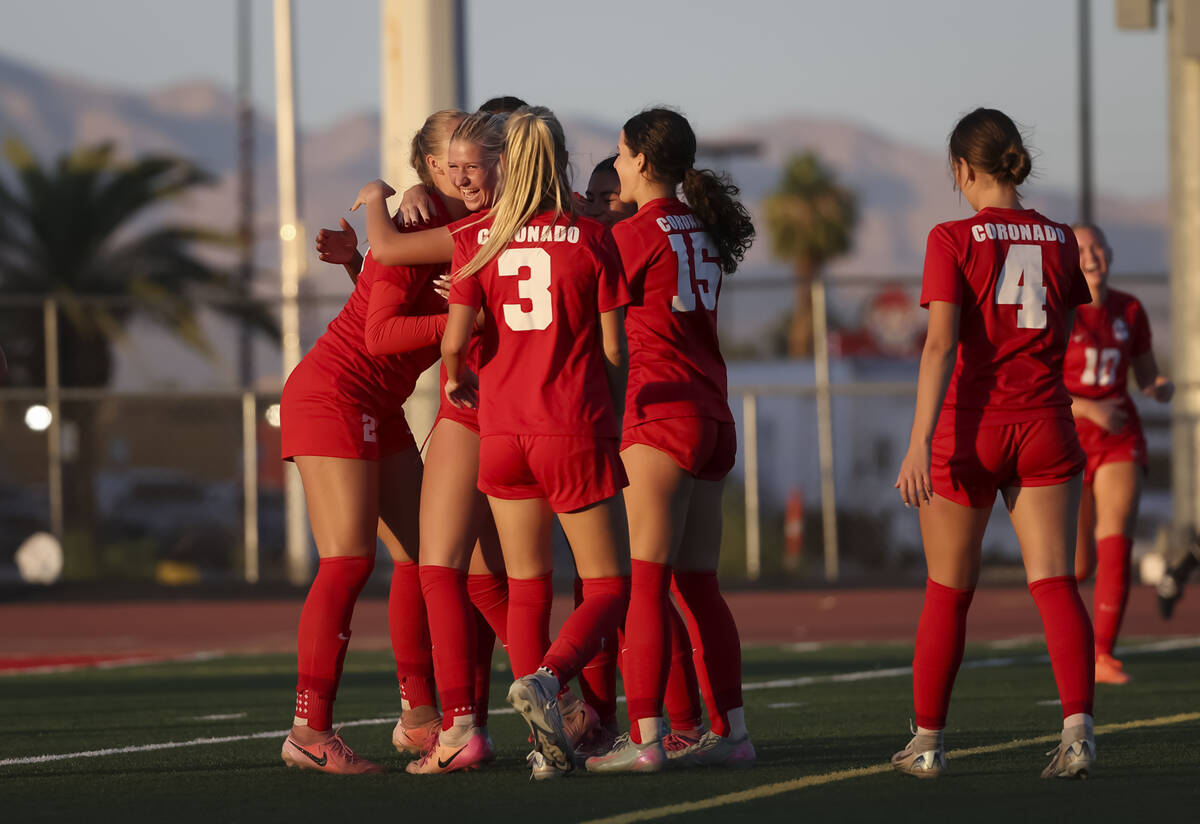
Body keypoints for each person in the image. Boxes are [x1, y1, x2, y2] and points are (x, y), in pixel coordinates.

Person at [892, 108, 1096, 780]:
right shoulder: (1061, 239)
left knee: (948, 593)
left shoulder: (951, 237)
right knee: (1055, 584)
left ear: (962, 169)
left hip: (972, 428)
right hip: (1044, 424)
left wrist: (918, 441)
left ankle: (927, 743)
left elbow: (942, 344)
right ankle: (1077, 734)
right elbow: (1065, 325)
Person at [441, 106, 632, 780]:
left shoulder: (477, 239)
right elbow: (613, 347)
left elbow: (454, 343)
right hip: (571, 424)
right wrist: (610, 408)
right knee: (611, 585)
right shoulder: (590, 236)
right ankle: (552, 680)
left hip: (500, 432)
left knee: (526, 589)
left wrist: (457, 380)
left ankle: (541, 747)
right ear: (560, 161)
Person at [280, 108, 468, 775]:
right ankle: (308, 730)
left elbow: (387, 297)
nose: (484, 156)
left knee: (426, 556)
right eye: (464, 148)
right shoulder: (418, 222)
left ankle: (419, 717)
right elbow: (381, 334)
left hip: (377, 402)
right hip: (335, 395)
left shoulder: (443, 220)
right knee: (348, 562)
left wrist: (362, 254)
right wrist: (459, 319)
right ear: (437, 167)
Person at [586, 108, 756, 773]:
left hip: (660, 415)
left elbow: (586, 317)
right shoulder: (702, 228)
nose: (617, 165)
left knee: (647, 585)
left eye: (623, 155)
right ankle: (733, 733)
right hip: (713, 417)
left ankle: (649, 738)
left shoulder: (634, 234)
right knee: (701, 586)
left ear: (644, 162)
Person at [350, 111, 515, 774]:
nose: (464, 169)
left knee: (435, 568)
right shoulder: (564, 220)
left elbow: (391, 267)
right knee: (510, 582)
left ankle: (455, 723)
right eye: (452, 158)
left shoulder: (475, 225)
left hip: (482, 411)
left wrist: (374, 199)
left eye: (473, 157)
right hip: (547, 413)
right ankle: (589, 715)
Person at [1065, 223, 1174, 684]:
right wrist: (1088, 408)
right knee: (1075, 564)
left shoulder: (1129, 308)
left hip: (1119, 441)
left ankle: (1102, 653)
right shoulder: (1056, 310)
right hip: (1066, 440)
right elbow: (1034, 383)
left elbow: (1147, 374)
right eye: (1082, 249)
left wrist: (1158, 387)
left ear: (1110, 252)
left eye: (1098, 246)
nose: (1092, 255)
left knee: (1116, 541)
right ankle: (1074, 644)